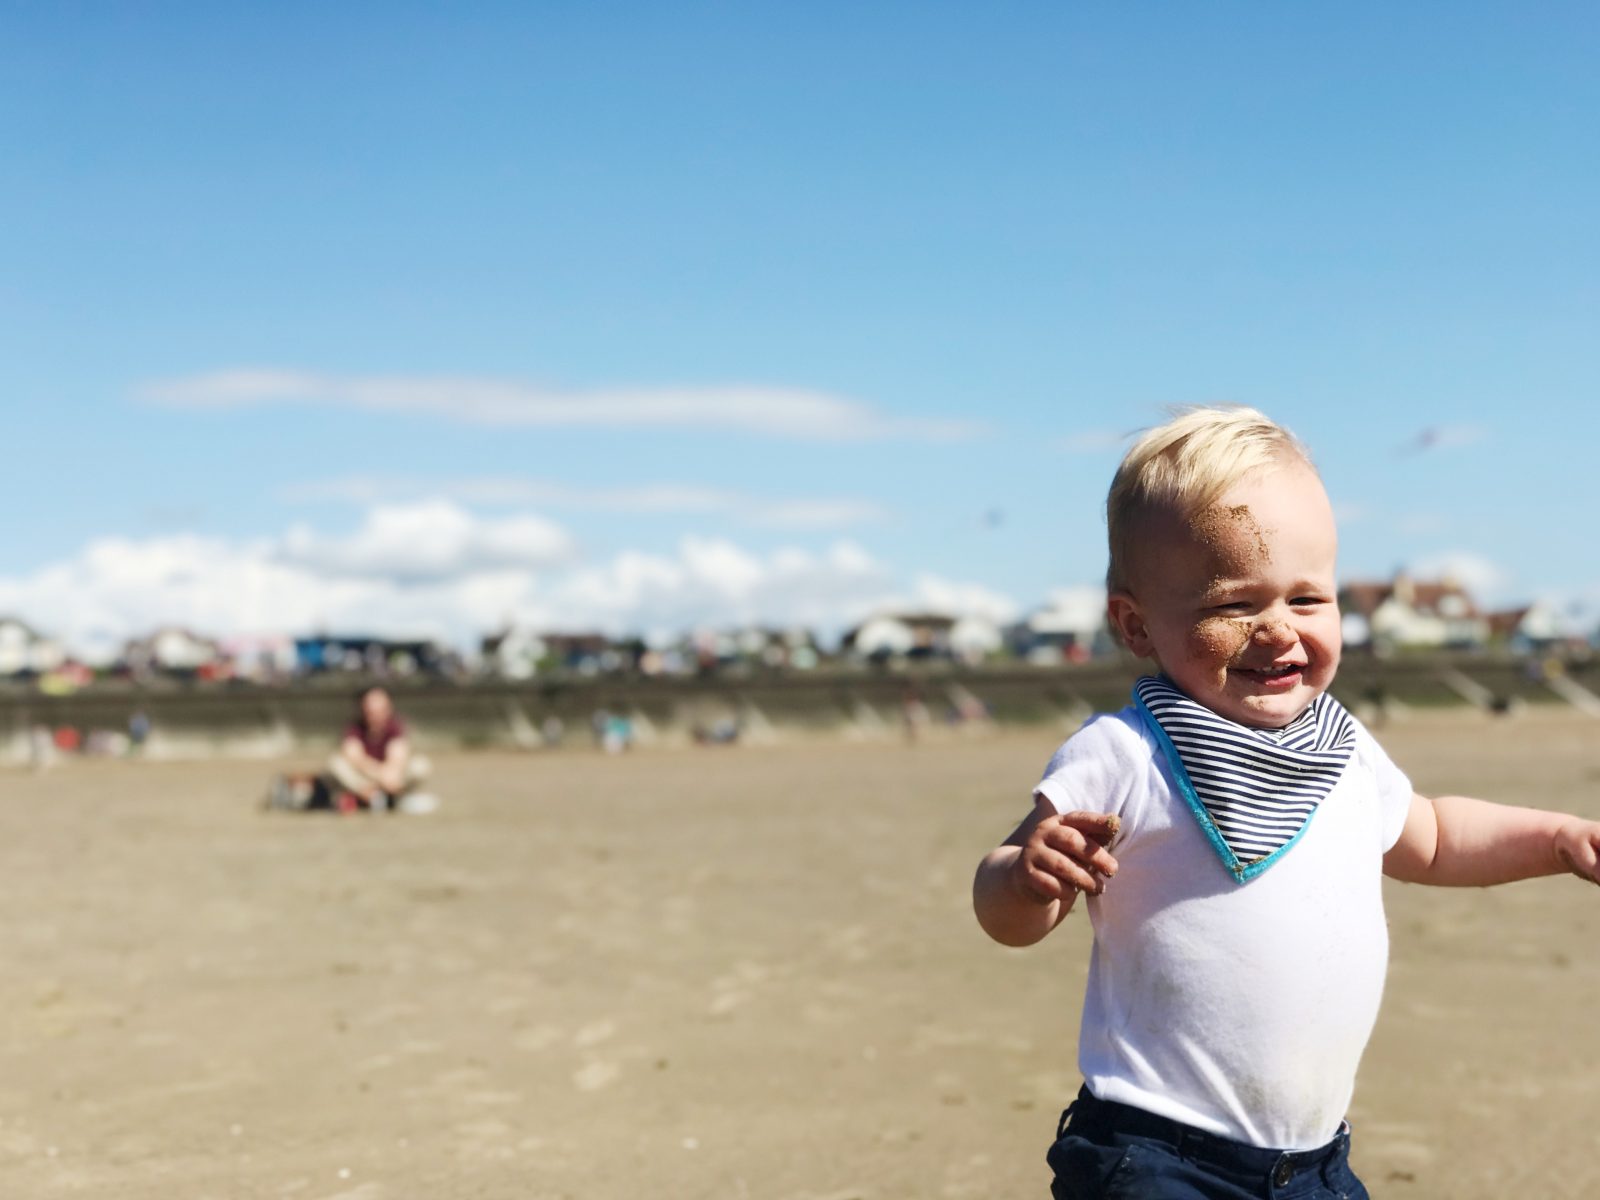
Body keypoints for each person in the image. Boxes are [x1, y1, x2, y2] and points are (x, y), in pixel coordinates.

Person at [971, 406, 1600, 1200]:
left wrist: (1560, 839)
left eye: (1307, 600)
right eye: (1234, 606)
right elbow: (1001, 911)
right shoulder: (1127, 753)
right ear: (1136, 625)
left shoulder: (1341, 751)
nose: (1277, 630)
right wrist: (1027, 878)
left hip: (1313, 1165)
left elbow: (1435, 838)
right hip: (1157, 1156)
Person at [328, 685, 435, 813]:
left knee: (420, 765)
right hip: (365, 779)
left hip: (392, 777)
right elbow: (356, 758)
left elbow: (397, 758)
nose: (375, 713)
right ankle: (379, 798)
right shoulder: (353, 729)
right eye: (370, 709)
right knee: (335, 764)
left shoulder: (396, 726)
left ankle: (390, 798)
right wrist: (380, 777)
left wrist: (389, 777)